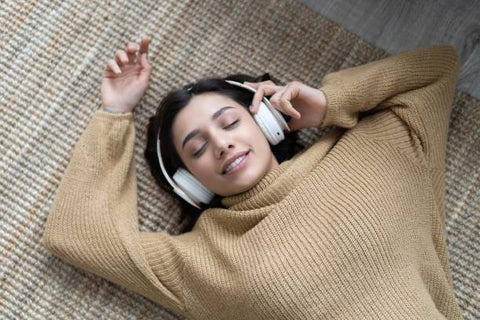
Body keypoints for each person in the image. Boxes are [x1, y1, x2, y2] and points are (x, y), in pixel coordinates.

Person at [42, 36, 463, 320]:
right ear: (191, 182)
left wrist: (329, 104)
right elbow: (76, 234)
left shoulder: (367, 151)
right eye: (197, 148)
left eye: (229, 122)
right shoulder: (200, 260)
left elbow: (438, 67)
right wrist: (114, 113)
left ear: (266, 121)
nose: (221, 144)